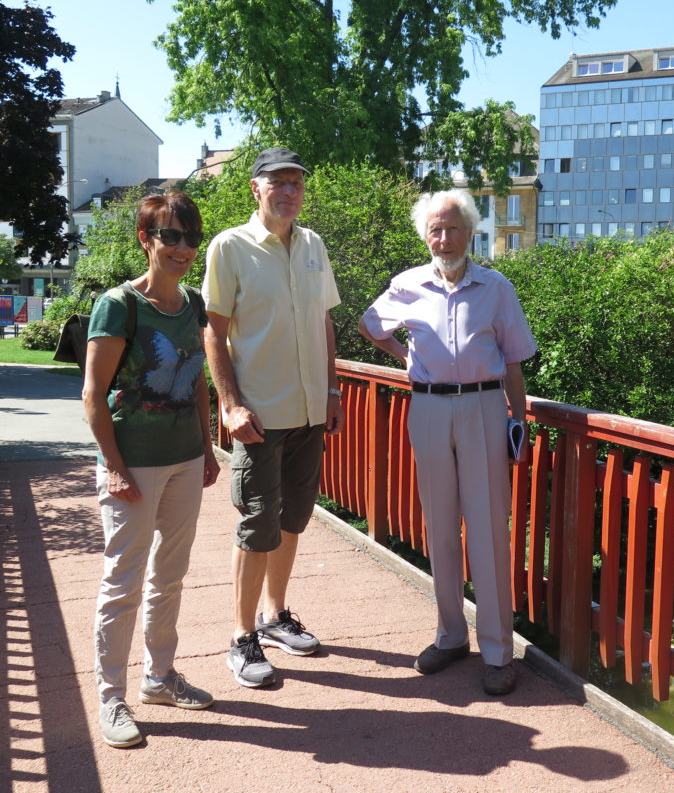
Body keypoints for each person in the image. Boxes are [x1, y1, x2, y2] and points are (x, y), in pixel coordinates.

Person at [358, 188, 536, 695]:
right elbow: (371, 326)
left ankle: (499, 651)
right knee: (438, 524)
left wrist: (516, 423)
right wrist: (404, 356)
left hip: (483, 406)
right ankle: (450, 635)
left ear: (470, 231)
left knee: (486, 529)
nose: (444, 237)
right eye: (435, 229)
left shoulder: (495, 287)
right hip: (430, 406)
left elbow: (515, 362)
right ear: (425, 235)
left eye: (453, 228)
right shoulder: (407, 284)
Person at [202, 147, 344, 689]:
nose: (289, 192)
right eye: (278, 182)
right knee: (257, 525)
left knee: (293, 520)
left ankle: (275, 615)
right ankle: (242, 635)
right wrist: (230, 403)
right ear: (255, 189)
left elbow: (323, 324)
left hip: (310, 410)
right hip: (259, 415)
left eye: (297, 184)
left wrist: (332, 390)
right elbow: (214, 329)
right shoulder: (230, 247)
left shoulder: (312, 245)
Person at [83, 191, 220, 748]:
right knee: (124, 581)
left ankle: (159, 677)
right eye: (170, 236)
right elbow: (93, 396)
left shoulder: (193, 303)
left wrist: (208, 449)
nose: (183, 247)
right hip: (132, 465)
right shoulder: (119, 305)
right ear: (146, 240)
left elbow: (201, 384)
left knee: (170, 575)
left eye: (190, 237)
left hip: (185, 460)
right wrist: (114, 468)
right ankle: (111, 697)